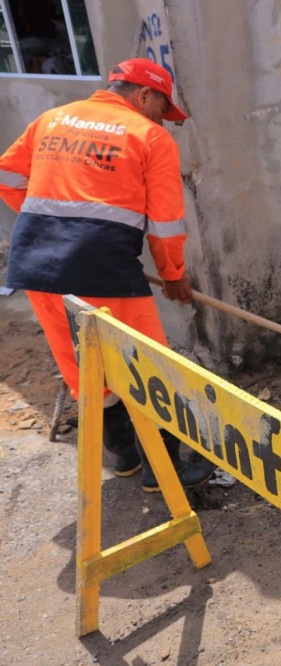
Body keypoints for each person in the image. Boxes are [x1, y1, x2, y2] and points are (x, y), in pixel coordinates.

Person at [0, 58, 215, 493]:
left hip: (37, 266)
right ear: (144, 95)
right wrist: (174, 275)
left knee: (85, 368)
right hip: (104, 270)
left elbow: (6, 174)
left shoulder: (51, 119)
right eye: (162, 108)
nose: (163, 120)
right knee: (149, 370)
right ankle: (165, 474)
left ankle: (125, 458)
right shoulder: (148, 137)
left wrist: (50, 226)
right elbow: (166, 223)